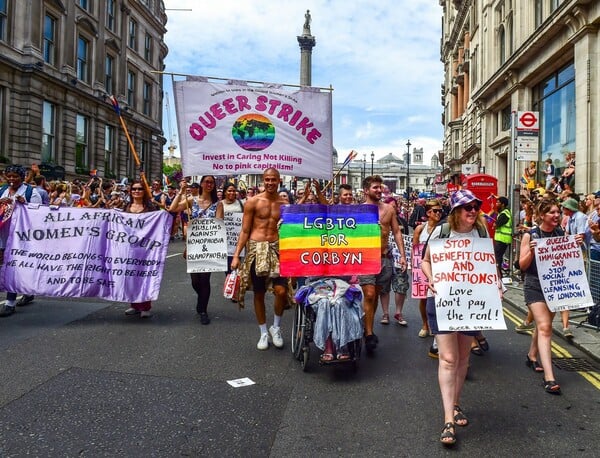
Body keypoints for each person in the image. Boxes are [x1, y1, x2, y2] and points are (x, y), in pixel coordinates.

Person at [420, 189, 497, 446]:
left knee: (463, 357)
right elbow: (425, 261)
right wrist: (431, 278)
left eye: (476, 206)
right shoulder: (441, 232)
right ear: (456, 212)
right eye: (467, 207)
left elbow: (489, 265)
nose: (473, 211)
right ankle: (448, 420)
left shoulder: (482, 233)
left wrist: (496, 283)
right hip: (443, 300)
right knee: (449, 358)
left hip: (471, 302)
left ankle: (455, 404)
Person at [519, 197, 584, 394]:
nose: (557, 215)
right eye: (552, 212)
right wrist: (531, 252)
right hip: (535, 285)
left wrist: (576, 245)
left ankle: (532, 355)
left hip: (555, 285)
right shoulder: (530, 235)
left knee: (542, 325)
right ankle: (550, 377)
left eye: (558, 212)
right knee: (546, 327)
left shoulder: (560, 233)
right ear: (541, 215)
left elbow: (567, 261)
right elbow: (521, 265)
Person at [231, 168, 291, 350]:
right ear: (263, 181)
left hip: (277, 249)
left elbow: (291, 231)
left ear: (279, 181)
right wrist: (236, 255)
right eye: (267, 179)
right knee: (259, 293)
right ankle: (263, 332)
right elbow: (245, 230)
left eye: (274, 180)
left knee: (281, 291)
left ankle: (276, 327)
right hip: (257, 250)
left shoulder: (284, 205)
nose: (270, 183)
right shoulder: (253, 202)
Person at [359, 175, 407, 352]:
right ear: (366, 190)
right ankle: (369, 334)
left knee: (376, 295)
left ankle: (367, 327)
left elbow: (396, 232)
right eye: (375, 188)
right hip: (365, 259)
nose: (379, 190)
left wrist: (402, 255)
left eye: (380, 187)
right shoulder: (358, 210)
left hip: (385, 258)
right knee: (369, 294)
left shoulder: (389, 209)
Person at [169, 176, 224, 325]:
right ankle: (202, 298)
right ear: (201, 184)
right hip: (194, 244)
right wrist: (180, 191)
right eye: (206, 182)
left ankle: (203, 310)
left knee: (205, 279)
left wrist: (202, 224)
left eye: (212, 182)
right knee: (195, 280)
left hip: (210, 245)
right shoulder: (192, 201)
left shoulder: (218, 204)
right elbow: (173, 208)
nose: (209, 184)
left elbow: (218, 223)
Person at [0, 165, 42, 317]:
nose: (11, 179)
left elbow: (40, 212)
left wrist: (25, 204)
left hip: (21, 236)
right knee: (6, 266)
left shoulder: (31, 192)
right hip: (3, 234)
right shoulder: (2, 190)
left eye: (15, 176)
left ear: (22, 177)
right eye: (9, 176)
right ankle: (28, 291)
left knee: (13, 266)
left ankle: (10, 303)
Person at [412, 199, 444, 357]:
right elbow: (416, 249)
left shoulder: (444, 228)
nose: (438, 213)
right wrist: (415, 269)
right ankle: (425, 325)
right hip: (424, 266)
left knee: (436, 298)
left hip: (439, 268)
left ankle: (435, 326)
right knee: (423, 298)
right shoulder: (420, 229)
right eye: (435, 211)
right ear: (428, 213)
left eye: (440, 211)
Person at [123, 180, 159, 318]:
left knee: (144, 276)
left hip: (145, 248)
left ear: (144, 192)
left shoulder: (150, 208)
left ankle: (145, 306)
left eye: (139, 189)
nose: (136, 191)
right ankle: (134, 305)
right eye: (134, 189)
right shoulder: (126, 206)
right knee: (131, 277)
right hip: (128, 247)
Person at [560, 197, 588, 338]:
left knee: (582, 275)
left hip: (582, 251)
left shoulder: (580, 217)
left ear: (569, 208)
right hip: (573, 252)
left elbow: (580, 235)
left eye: (564, 207)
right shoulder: (570, 218)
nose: (562, 209)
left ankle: (583, 302)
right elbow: (568, 233)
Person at [222, 182, 244, 274]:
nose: (232, 193)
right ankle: (231, 286)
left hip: (237, 240)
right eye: (229, 191)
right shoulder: (220, 204)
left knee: (235, 268)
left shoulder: (241, 203)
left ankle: (234, 287)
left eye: (234, 191)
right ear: (225, 192)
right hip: (224, 241)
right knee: (227, 268)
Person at [493, 196, 512, 277]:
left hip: (502, 239)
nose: (496, 204)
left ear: (503, 204)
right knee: (498, 257)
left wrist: (495, 224)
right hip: (500, 238)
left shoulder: (505, 214)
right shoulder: (502, 213)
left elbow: (496, 225)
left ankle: (499, 275)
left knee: (498, 258)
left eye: (498, 202)